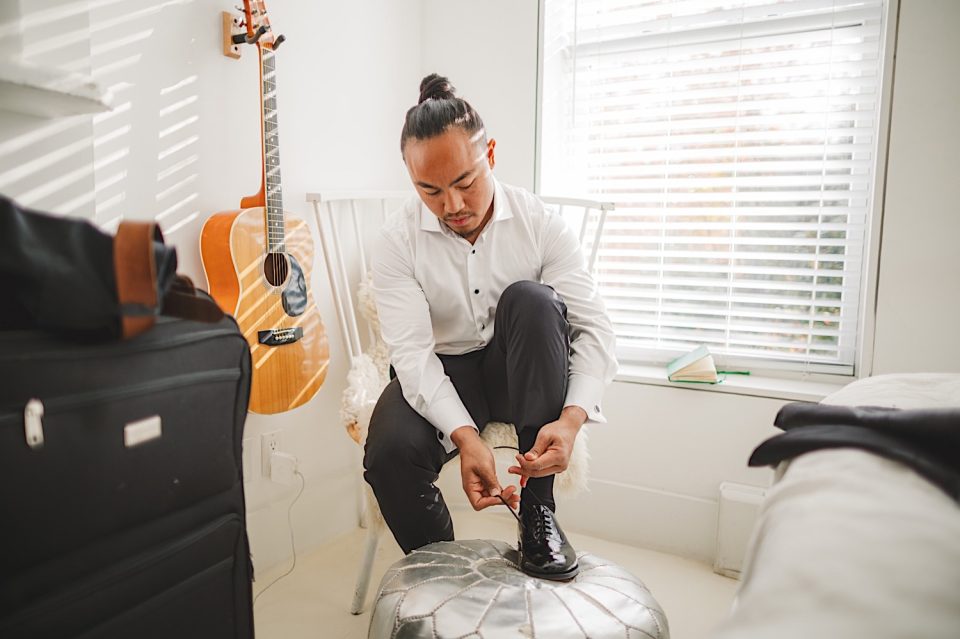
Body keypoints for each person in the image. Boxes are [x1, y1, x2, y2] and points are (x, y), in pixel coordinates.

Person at [364, 73, 617, 580]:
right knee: (388, 453)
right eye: (430, 190)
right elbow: (412, 356)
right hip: (443, 369)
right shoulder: (396, 241)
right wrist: (464, 437)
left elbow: (594, 330)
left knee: (533, 301)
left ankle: (539, 514)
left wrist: (570, 422)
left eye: (465, 182)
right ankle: (443, 568)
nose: (452, 206)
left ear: (491, 155)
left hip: (519, 371)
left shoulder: (539, 223)